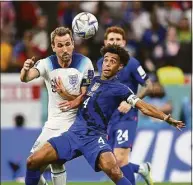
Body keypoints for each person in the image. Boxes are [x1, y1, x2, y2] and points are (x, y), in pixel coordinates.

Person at [24, 44, 184, 185]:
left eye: (112, 61)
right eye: (106, 60)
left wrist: (165, 118)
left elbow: (143, 107)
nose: (107, 64)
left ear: (120, 67)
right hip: (74, 134)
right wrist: (65, 94)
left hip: (95, 138)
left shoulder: (121, 89)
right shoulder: (92, 80)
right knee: (32, 161)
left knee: (115, 172)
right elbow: (82, 99)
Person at [20, 27, 94, 185]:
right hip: (52, 125)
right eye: (60, 45)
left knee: (56, 160)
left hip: (73, 124)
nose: (65, 49)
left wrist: (66, 93)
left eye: (68, 44)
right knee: (32, 164)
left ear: (73, 44)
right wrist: (25, 70)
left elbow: (86, 97)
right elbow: (26, 78)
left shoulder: (85, 63)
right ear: (53, 47)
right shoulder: (47, 63)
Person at [97, 26, 153, 185]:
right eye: (111, 39)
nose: (114, 42)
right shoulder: (101, 62)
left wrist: (131, 100)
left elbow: (149, 85)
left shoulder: (132, 63)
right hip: (108, 120)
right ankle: (141, 169)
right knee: (110, 163)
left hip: (127, 117)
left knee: (120, 159)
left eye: (118, 39)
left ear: (124, 42)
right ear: (105, 42)